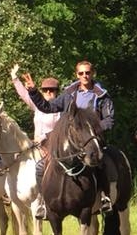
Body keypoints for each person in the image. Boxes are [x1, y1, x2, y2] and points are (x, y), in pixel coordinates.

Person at [22, 59, 117, 212]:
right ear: (77, 75)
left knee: (100, 161)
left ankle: (105, 196)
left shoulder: (102, 96)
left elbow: (110, 120)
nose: (85, 75)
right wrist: (33, 91)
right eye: (81, 73)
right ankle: (43, 203)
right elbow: (48, 107)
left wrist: (93, 128)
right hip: (69, 141)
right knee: (41, 166)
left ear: (93, 74)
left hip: (92, 138)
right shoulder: (69, 94)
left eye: (87, 72)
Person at [11, 64, 62, 218]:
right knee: (14, 158)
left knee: (44, 168)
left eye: (51, 90)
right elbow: (23, 94)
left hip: (53, 146)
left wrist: (45, 136)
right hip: (35, 145)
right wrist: (14, 77)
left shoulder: (60, 108)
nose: (48, 93)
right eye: (45, 90)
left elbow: (60, 129)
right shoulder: (38, 105)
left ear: (56, 92)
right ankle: (12, 190)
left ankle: (43, 201)